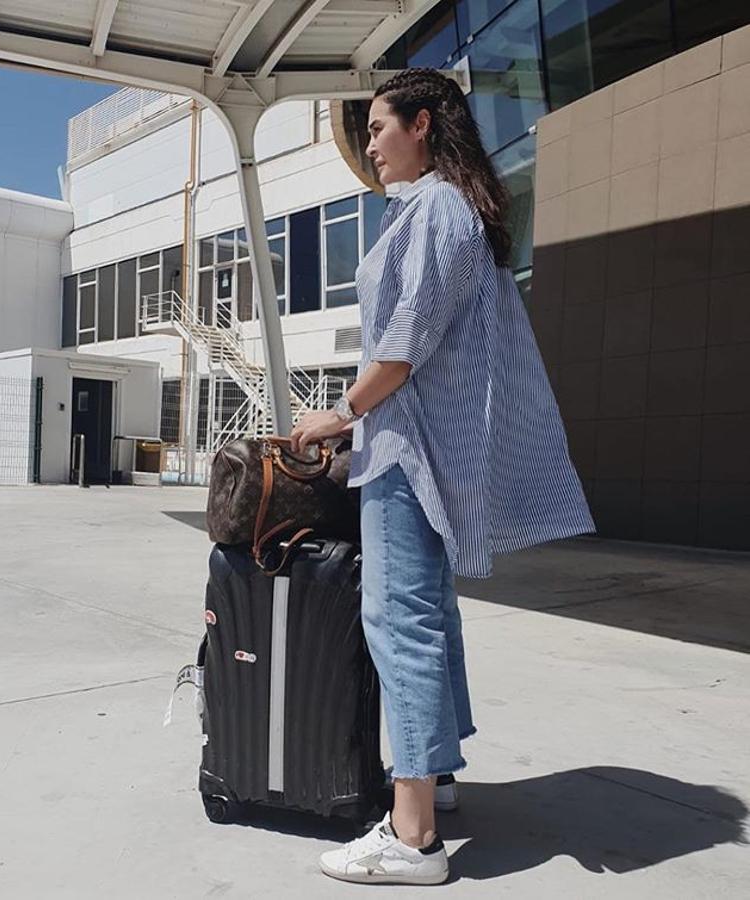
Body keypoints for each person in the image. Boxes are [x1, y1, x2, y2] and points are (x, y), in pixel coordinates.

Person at [289, 67, 595, 885]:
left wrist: (338, 414)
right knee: (430, 615)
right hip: (425, 446)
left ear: (422, 125)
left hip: (407, 452)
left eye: (380, 129)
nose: (371, 148)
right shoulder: (460, 209)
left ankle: (413, 833)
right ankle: (439, 779)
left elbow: (403, 344)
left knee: (400, 621)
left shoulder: (433, 208)